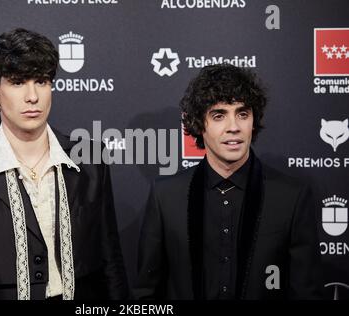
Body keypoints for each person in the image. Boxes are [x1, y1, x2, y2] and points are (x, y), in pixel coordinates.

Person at [0, 28, 129, 300]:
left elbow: (111, 264)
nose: (32, 96)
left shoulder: (91, 159)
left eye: (42, 81)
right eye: (18, 82)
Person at [134, 64, 323, 299]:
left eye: (242, 114)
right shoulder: (166, 196)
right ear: (199, 124)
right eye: (219, 115)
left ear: (253, 121)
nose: (233, 127)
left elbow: (306, 293)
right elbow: (147, 293)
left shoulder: (291, 196)